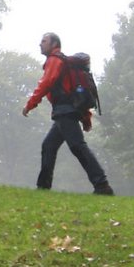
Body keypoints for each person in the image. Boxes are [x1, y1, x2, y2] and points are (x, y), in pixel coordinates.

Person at [22, 32, 115, 195]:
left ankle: (102, 185)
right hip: (65, 111)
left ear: (53, 44)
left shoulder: (55, 60)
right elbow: (74, 91)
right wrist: (86, 118)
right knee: (49, 145)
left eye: (44, 41)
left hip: (64, 111)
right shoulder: (63, 62)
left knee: (78, 146)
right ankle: (43, 187)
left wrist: (30, 104)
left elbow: (46, 83)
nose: (40, 44)